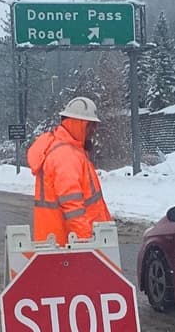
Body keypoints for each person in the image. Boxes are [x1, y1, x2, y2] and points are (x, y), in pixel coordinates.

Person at [27, 97, 113, 245]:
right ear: (78, 124)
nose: (94, 131)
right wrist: (85, 242)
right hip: (70, 247)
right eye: (90, 125)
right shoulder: (65, 156)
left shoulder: (67, 150)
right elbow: (73, 207)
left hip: (64, 244)